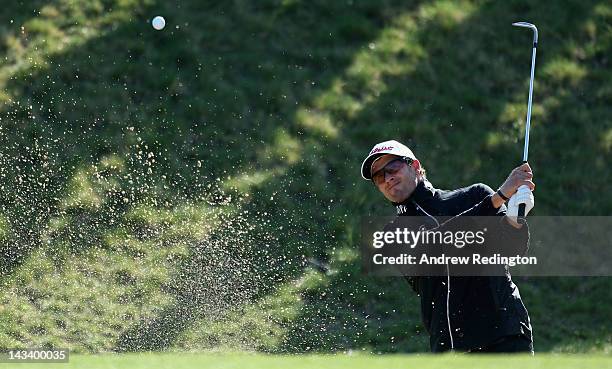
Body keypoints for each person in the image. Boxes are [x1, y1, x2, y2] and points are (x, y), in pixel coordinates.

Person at [361, 140, 535, 353]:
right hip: (450, 349)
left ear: (415, 166)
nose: (388, 178)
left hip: (503, 334)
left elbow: (511, 250)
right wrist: (496, 200)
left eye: (393, 168)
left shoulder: (474, 195)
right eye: (379, 176)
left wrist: (514, 219)